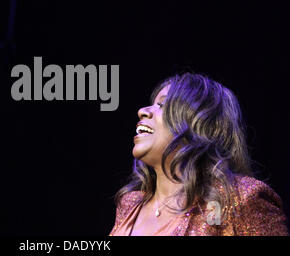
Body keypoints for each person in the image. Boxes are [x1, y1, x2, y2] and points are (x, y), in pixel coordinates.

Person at [109, 72, 288, 236]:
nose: (143, 111)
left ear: (198, 124)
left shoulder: (240, 199)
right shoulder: (130, 204)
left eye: (162, 105)